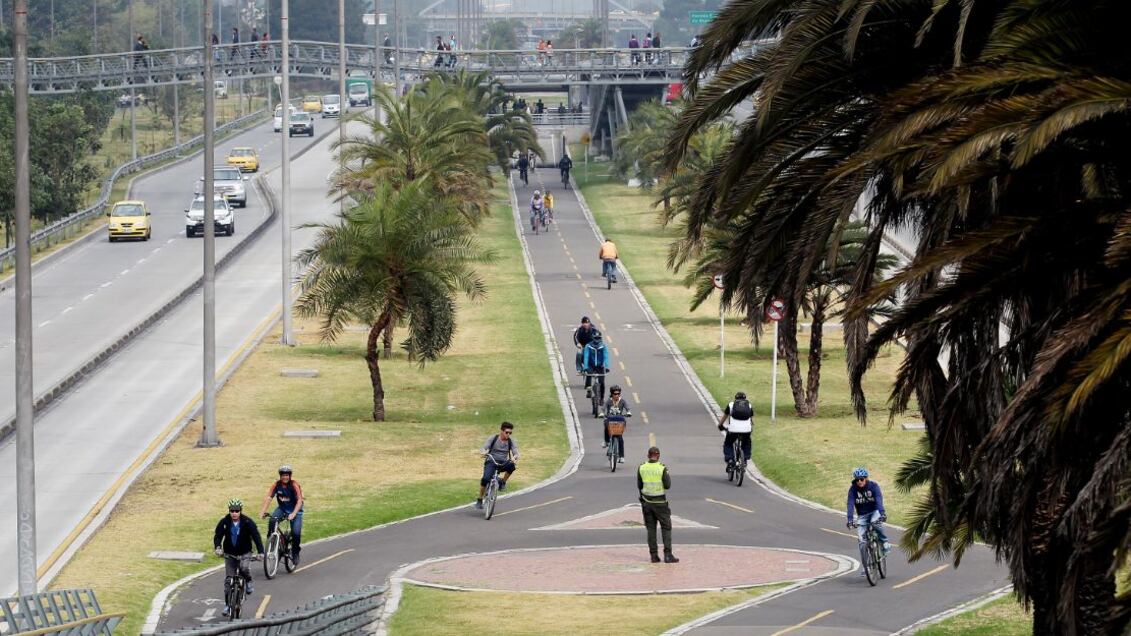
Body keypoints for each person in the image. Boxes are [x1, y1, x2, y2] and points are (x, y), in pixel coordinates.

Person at [213, 499, 264, 617]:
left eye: (237, 511)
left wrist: (261, 552)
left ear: (240, 511)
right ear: (229, 511)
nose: (234, 513)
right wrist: (218, 547)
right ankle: (227, 605)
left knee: (244, 568)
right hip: (230, 554)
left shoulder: (247, 522)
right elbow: (218, 536)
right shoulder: (224, 522)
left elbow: (256, 536)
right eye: (232, 511)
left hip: (245, 553)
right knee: (228, 581)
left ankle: (249, 581)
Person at [846, 467, 891, 575]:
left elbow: (879, 499)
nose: (859, 482)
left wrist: (882, 513)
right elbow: (850, 504)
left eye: (861, 479)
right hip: (862, 515)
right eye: (857, 480)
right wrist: (850, 520)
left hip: (874, 511)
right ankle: (866, 567)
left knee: (876, 523)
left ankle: (884, 541)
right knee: (862, 542)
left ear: (866, 478)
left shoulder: (873, 486)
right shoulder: (853, 490)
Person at [259, 464, 305, 566]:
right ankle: (271, 542)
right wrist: (262, 511)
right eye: (283, 475)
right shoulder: (276, 485)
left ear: (290, 476)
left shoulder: (294, 485)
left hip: (296, 510)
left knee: (296, 533)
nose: (285, 477)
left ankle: (295, 552)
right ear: (280, 476)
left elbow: (300, 501)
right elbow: (269, 498)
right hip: (283, 508)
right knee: (272, 520)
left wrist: (293, 514)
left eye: (287, 475)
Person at [638, 447, 678, 563]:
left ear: (648, 455)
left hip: (647, 503)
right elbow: (667, 485)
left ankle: (654, 555)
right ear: (658, 456)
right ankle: (668, 554)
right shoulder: (662, 468)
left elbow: (639, 485)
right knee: (666, 527)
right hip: (660, 503)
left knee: (651, 529)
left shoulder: (642, 467)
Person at [477, 422, 519, 509]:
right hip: (491, 461)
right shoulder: (493, 438)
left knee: (512, 466)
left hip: (503, 462)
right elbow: (484, 447)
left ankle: (503, 482)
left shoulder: (511, 441)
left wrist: (515, 457)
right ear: (501, 431)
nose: (508, 435)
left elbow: (515, 451)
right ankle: (480, 499)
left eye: (510, 433)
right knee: (485, 479)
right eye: (506, 432)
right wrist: (483, 452)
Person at [718, 391, 753, 471]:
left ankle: (730, 460)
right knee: (747, 442)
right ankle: (745, 459)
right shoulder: (749, 405)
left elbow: (724, 417)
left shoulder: (731, 405)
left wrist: (720, 426)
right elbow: (751, 419)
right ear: (745, 399)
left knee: (728, 443)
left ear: (735, 398)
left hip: (733, 429)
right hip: (746, 429)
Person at [603, 385, 632, 460]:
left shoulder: (622, 401)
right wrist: (602, 413)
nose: (617, 395)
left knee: (620, 439)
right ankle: (606, 441)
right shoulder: (609, 401)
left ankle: (621, 456)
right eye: (615, 394)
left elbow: (627, 408)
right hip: (610, 420)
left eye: (618, 393)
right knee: (606, 425)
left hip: (619, 421)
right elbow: (604, 407)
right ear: (611, 394)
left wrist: (628, 412)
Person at [581, 331, 609, 401]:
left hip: (600, 366)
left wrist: (607, 367)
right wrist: (585, 367)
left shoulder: (603, 346)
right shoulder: (588, 346)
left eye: (598, 338)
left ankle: (602, 398)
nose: (597, 339)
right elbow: (586, 357)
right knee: (588, 375)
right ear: (592, 338)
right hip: (591, 365)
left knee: (602, 383)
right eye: (595, 338)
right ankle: (589, 390)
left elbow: (606, 356)